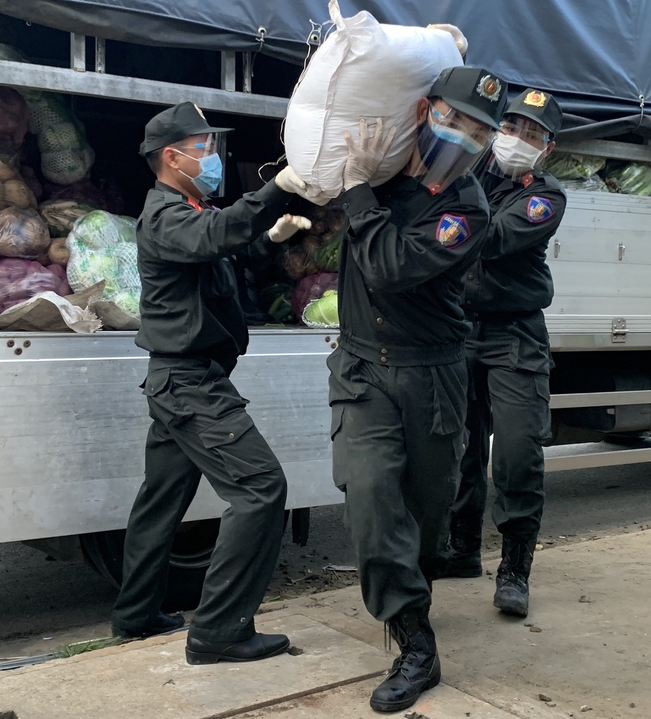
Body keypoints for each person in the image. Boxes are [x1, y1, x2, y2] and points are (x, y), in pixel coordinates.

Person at [326, 67, 507, 713]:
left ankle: (413, 591)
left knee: (425, 522)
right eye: (454, 119)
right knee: (373, 499)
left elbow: (391, 266)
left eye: (479, 131)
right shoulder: (376, 168)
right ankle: (417, 646)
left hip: (431, 375)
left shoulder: (466, 210)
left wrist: (353, 192)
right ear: (425, 109)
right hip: (361, 370)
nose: (464, 137)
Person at [110, 101, 311, 665]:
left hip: (181, 379)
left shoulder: (191, 206)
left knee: (160, 501)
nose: (215, 155)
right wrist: (277, 189)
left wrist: (270, 238)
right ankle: (220, 631)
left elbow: (226, 246)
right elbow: (214, 235)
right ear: (173, 157)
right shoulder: (166, 215)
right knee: (261, 490)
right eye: (205, 147)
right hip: (191, 382)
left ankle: (136, 614)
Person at [443, 89, 567, 618]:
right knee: (457, 449)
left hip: (514, 334)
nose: (518, 139)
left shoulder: (545, 196)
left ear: (547, 148)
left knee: (515, 453)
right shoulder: (465, 168)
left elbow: (486, 237)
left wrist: (438, 218)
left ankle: (514, 567)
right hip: (456, 329)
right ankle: (461, 549)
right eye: (512, 125)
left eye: (532, 134)